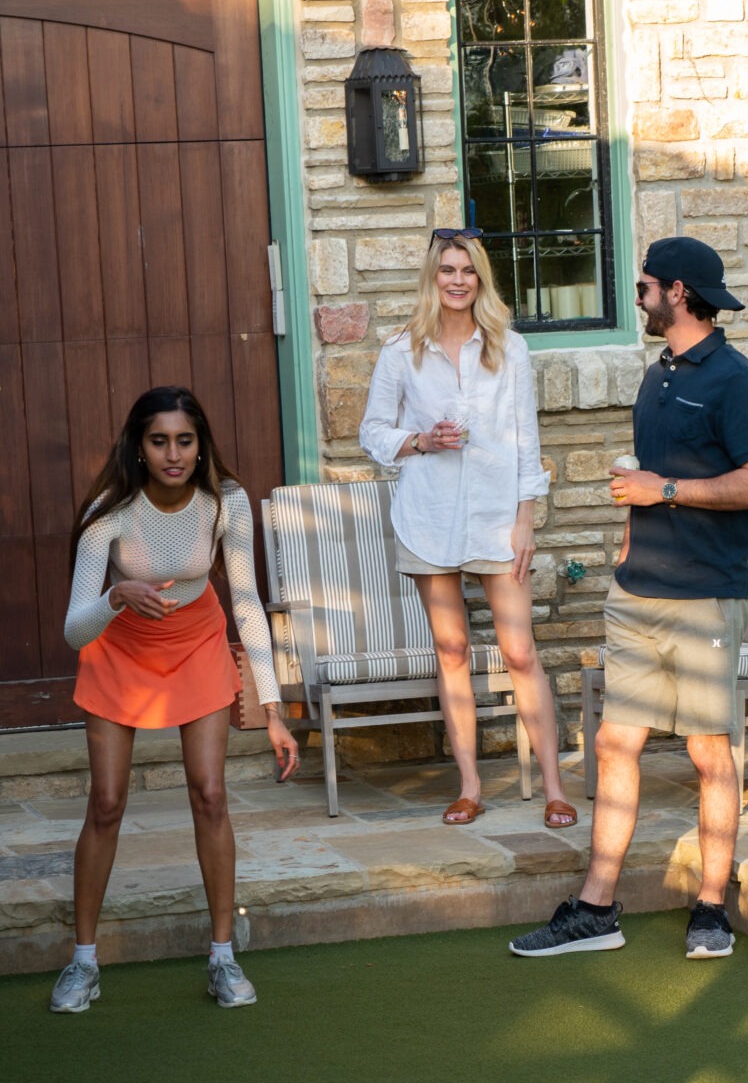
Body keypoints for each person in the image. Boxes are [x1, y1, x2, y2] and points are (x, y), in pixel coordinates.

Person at [511, 235, 748, 962]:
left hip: (703, 600)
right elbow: (649, 478)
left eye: (643, 288)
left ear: (679, 293)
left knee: (707, 752)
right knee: (613, 743)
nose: (637, 299)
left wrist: (664, 490)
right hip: (637, 594)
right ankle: (596, 907)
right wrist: (631, 542)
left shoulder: (734, 380)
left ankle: (712, 908)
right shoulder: (657, 373)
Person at [52, 386, 298, 1014]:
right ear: (139, 444)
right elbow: (74, 628)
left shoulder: (228, 502)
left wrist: (273, 709)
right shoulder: (110, 510)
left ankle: (222, 955)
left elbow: (246, 601)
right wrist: (115, 597)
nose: (173, 454)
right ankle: (83, 962)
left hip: (195, 643)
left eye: (184, 440)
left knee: (210, 793)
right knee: (106, 803)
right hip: (119, 646)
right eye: (159, 440)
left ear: (200, 443)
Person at [359, 229, 574, 828]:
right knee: (451, 650)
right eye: (447, 270)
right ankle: (470, 786)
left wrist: (526, 519)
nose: (457, 281)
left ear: (481, 279)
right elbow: (372, 431)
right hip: (427, 518)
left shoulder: (509, 348)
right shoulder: (402, 351)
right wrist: (420, 440)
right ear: (433, 278)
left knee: (520, 651)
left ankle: (555, 788)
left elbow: (527, 439)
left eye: (468, 271)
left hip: (495, 517)